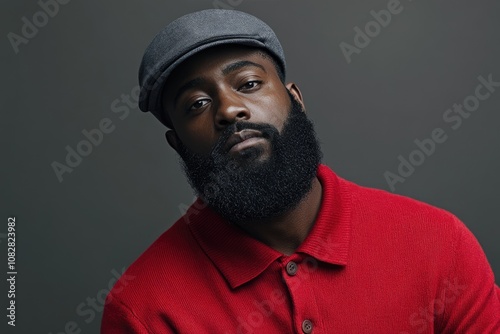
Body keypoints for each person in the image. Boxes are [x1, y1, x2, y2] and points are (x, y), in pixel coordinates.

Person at [101, 9, 500, 333]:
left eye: (249, 83)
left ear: (295, 100)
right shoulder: (144, 309)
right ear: (178, 145)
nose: (229, 110)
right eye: (197, 105)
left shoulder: (438, 244)